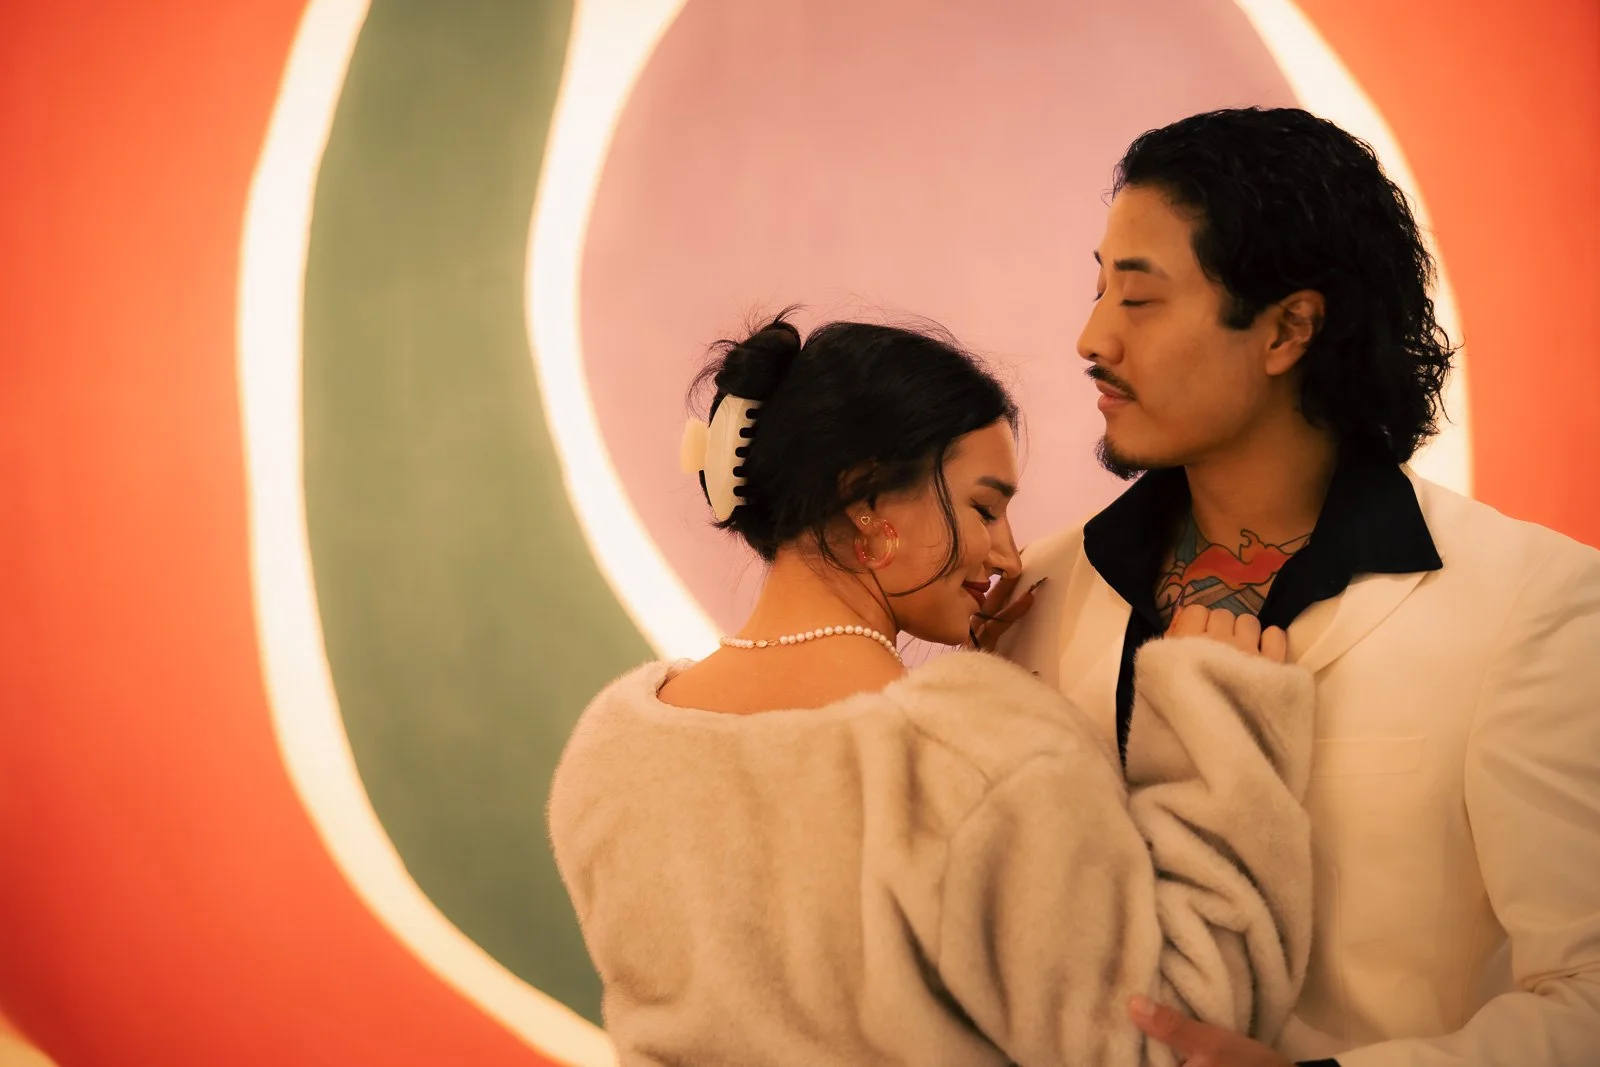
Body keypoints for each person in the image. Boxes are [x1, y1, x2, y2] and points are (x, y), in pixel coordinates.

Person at [993, 107, 1600, 1066]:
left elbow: (1590, 1002)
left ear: (1287, 330)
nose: (1091, 336)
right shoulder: (1038, 592)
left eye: (1139, 299)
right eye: (1098, 286)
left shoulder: (1533, 604)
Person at [547, 314, 1317, 1066]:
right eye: (986, 506)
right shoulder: (971, 752)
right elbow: (1177, 1034)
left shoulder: (614, 752)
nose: (1008, 554)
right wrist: (1215, 719)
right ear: (866, 503)